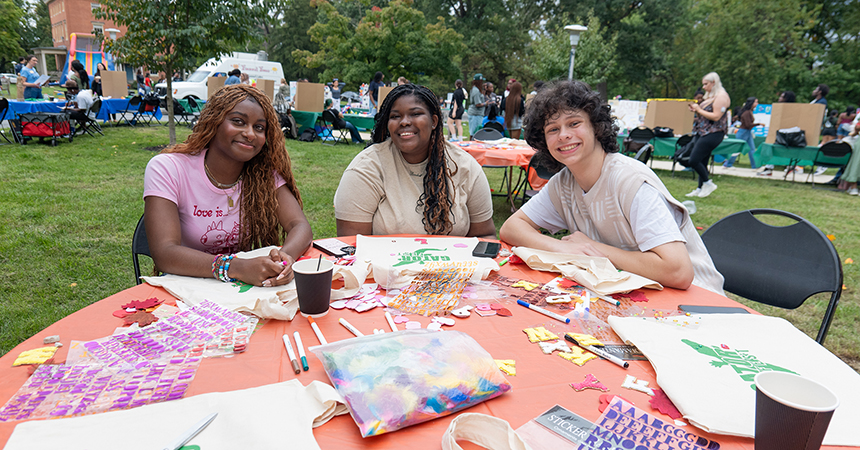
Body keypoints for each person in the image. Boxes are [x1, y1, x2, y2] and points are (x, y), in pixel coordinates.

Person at [499, 80, 724, 294]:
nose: (564, 135)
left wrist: (592, 249)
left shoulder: (630, 181)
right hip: (634, 294)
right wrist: (564, 249)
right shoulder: (563, 184)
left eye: (574, 123)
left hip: (697, 304)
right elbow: (511, 228)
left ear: (596, 127)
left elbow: (678, 272)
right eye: (552, 129)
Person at [143, 84, 312, 287]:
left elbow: (299, 225)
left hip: (242, 290)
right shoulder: (169, 168)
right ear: (213, 122)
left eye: (259, 127)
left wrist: (283, 260)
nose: (250, 134)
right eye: (238, 122)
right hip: (186, 286)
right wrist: (235, 267)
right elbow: (164, 253)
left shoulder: (263, 174)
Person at [334, 83, 496, 239]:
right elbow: (352, 246)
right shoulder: (365, 169)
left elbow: (484, 235)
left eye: (415, 114)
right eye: (395, 116)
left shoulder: (465, 166)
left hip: (453, 267)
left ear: (434, 121)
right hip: (381, 267)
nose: (404, 121)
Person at [684, 72, 730, 198]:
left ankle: (708, 183)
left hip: (713, 132)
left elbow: (716, 116)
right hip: (703, 131)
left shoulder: (721, 96)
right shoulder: (712, 96)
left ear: (713, 83)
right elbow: (705, 114)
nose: (703, 87)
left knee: (694, 160)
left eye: (706, 84)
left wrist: (699, 109)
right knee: (702, 161)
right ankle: (700, 188)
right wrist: (697, 110)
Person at [758, 91, 796, 176]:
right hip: (781, 134)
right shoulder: (780, 108)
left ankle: (770, 168)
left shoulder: (786, 110)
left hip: (783, 134)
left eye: (782, 97)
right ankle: (772, 167)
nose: (780, 98)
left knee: (774, 149)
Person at [722, 97, 763, 169]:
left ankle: (755, 166)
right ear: (752, 103)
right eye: (756, 102)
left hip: (747, 132)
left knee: (752, 149)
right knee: (737, 149)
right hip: (743, 132)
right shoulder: (747, 113)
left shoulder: (749, 112)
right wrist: (758, 124)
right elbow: (748, 125)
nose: (757, 103)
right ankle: (727, 164)